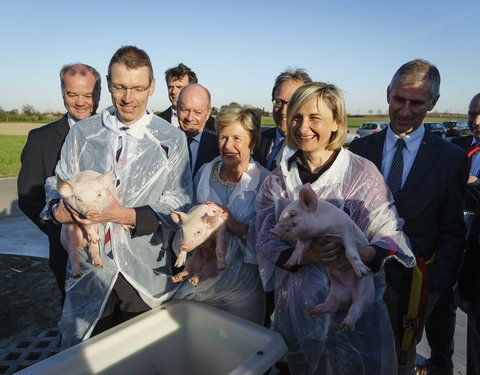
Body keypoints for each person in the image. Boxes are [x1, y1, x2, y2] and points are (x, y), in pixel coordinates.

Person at [255, 82, 415, 374]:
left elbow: (392, 237)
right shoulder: (277, 183)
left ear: (337, 123)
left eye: (315, 117)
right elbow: (265, 241)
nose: (303, 127)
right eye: (296, 116)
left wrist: (362, 253)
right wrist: (307, 256)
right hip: (298, 311)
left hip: (354, 312)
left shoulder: (361, 174)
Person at [41, 45, 192, 348]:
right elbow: (57, 183)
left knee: (141, 357)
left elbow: (179, 202)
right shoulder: (83, 133)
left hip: (144, 273)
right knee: (89, 356)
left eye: (137, 88)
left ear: (152, 87)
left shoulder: (171, 139)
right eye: (120, 87)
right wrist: (58, 208)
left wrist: (123, 215)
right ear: (108, 84)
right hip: (90, 271)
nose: (128, 98)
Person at [349, 59, 468, 375]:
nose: (403, 111)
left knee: (400, 362)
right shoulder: (359, 149)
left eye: (416, 103)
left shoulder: (451, 159)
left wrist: (438, 287)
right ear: (388, 93)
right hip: (360, 278)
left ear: (433, 102)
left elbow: (453, 228)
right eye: (398, 100)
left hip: (417, 288)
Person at [173, 104, 269, 324]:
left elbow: (271, 239)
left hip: (242, 291)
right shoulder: (204, 173)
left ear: (252, 143)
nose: (228, 146)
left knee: (241, 347)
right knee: (199, 345)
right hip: (202, 283)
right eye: (223, 137)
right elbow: (185, 221)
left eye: (237, 138)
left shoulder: (265, 182)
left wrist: (235, 225)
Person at [17, 63, 101, 305]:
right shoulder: (40, 139)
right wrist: (57, 224)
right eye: (72, 94)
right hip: (67, 256)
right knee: (75, 321)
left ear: (99, 94)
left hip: (111, 252)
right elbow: (28, 197)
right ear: (62, 92)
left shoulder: (112, 135)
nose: (80, 102)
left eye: (88, 95)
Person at [455, 92, 480, 375]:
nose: (476, 121)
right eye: (472, 114)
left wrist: (475, 183)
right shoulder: (455, 147)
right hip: (451, 241)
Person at [254, 68, 312, 170]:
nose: (283, 111)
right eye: (278, 102)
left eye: (292, 103)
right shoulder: (257, 140)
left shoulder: (314, 148)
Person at [177, 83, 219, 177]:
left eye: (197, 112)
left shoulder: (219, 147)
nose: (190, 118)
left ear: (208, 113)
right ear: (177, 108)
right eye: (185, 110)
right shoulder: (163, 143)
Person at [158, 63, 215, 131]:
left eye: (179, 87)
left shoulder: (213, 125)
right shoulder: (158, 122)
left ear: (192, 88)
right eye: (170, 87)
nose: (173, 91)